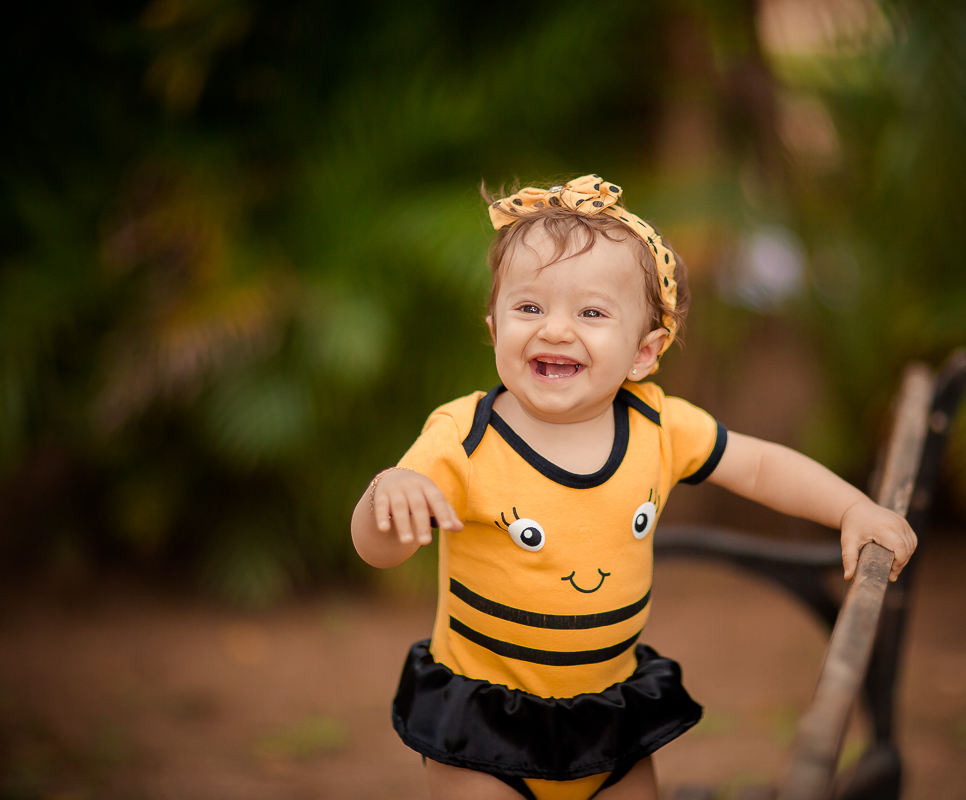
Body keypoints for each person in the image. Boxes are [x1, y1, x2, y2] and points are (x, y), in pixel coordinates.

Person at [350, 175, 916, 800]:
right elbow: (380, 550)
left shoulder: (657, 424)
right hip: (484, 734)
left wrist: (852, 508)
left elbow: (758, 466)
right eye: (529, 308)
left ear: (644, 353)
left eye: (591, 313)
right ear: (493, 326)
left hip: (607, 723)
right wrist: (388, 494)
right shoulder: (464, 437)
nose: (555, 330)